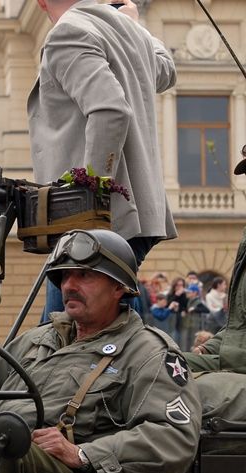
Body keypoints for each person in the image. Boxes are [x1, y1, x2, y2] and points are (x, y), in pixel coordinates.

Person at [0, 230, 201, 473]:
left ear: (119, 287)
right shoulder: (38, 339)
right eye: (65, 275)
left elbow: (173, 436)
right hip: (14, 471)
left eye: (84, 275)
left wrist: (82, 454)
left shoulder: (147, 352)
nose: (69, 285)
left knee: (5, 449)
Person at [32, 0, 177, 317]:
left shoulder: (67, 32)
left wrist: (91, 193)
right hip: (135, 213)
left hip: (91, 220)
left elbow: (111, 110)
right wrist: (134, 25)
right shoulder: (125, 30)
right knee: (102, 328)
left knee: (70, 335)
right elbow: (166, 70)